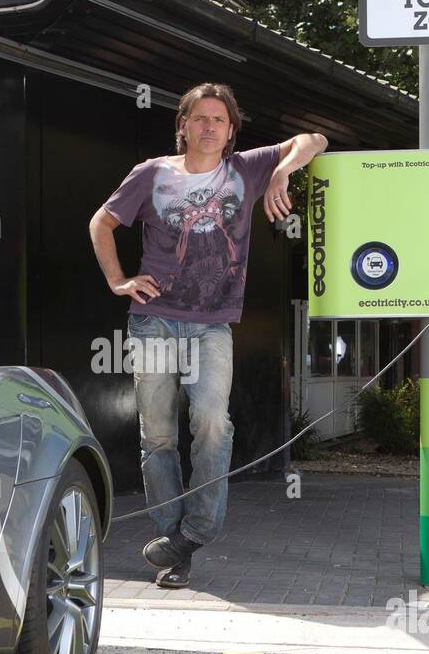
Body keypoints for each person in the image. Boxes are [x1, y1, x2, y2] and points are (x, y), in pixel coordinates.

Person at [88, 82, 328, 589]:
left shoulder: (246, 169)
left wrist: (284, 168)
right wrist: (117, 281)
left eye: (220, 120)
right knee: (157, 437)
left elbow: (315, 140)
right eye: (200, 118)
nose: (210, 126)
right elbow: (101, 224)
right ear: (183, 126)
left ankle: (194, 532)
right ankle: (173, 543)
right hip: (154, 318)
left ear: (230, 131)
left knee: (213, 424)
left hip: (212, 324)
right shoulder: (151, 174)